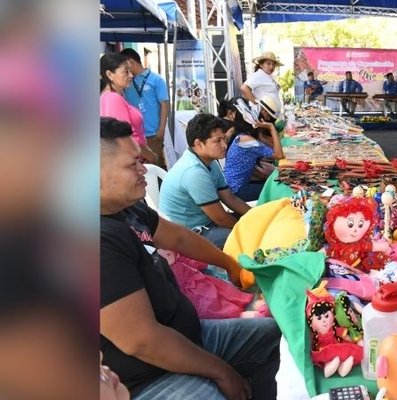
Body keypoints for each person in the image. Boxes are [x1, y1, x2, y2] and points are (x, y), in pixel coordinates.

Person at [100, 117, 281, 399]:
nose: (142, 169)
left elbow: (180, 238)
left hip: (186, 334)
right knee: (211, 393)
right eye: (131, 163)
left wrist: (230, 264)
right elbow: (142, 341)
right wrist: (222, 371)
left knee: (269, 335)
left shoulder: (128, 209)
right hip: (146, 376)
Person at [159, 113, 252, 248]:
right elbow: (220, 218)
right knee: (250, 238)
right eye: (217, 141)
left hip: (206, 223)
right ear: (198, 144)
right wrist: (247, 230)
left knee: (254, 223)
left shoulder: (208, 161)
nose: (224, 145)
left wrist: (255, 216)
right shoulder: (194, 172)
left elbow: (230, 199)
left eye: (224, 139)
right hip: (188, 235)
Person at [223, 96, 285, 202]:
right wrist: (271, 128)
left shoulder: (242, 137)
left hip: (235, 185)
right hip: (238, 190)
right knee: (279, 188)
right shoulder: (247, 140)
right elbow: (279, 155)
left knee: (275, 181)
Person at [100, 53, 158, 164]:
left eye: (130, 71)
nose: (131, 75)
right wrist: (151, 156)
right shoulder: (112, 98)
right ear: (109, 74)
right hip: (130, 161)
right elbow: (126, 136)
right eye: (125, 71)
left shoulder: (114, 96)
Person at [120, 48, 169, 168]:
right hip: (134, 134)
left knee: (155, 165)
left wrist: (161, 129)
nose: (124, 70)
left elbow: (164, 104)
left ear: (131, 62)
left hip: (152, 133)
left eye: (124, 65)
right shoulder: (126, 81)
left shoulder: (156, 80)